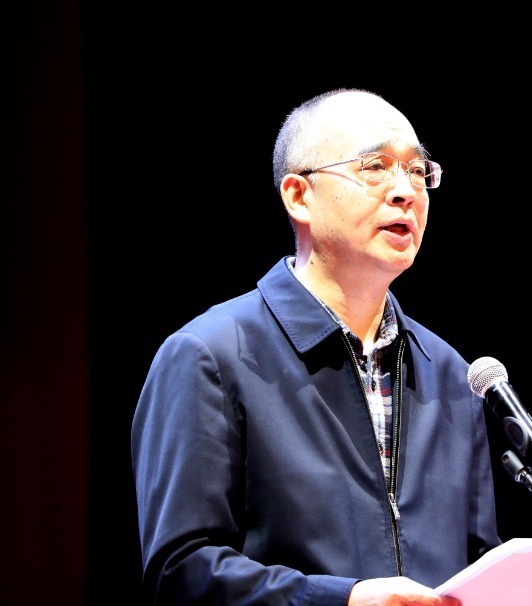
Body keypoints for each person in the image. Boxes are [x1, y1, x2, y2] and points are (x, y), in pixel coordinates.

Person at [131, 88, 501, 606]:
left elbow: (478, 564)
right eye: (375, 167)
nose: (405, 191)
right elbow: (182, 572)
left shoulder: (452, 374)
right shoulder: (209, 356)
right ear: (298, 196)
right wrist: (341, 600)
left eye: (418, 171)